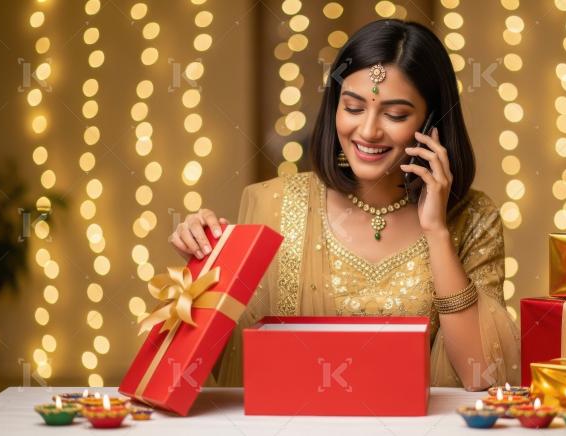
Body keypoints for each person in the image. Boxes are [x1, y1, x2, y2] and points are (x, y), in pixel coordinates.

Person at [169, 19, 520, 391]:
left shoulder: (475, 218)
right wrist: (202, 267)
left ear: (433, 122)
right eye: (353, 108)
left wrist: (436, 231)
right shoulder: (271, 203)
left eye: (395, 115)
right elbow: (238, 360)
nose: (368, 131)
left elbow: (482, 374)